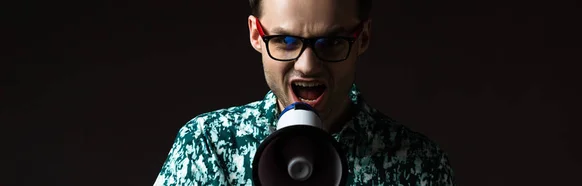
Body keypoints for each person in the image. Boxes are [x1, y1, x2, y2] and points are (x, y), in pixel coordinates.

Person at [153, 0, 456, 185]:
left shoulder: (420, 164)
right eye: (285, 40)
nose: (308, 66)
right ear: (256, 34)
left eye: (333, 41)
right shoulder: (209, 145)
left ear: (362, 38)